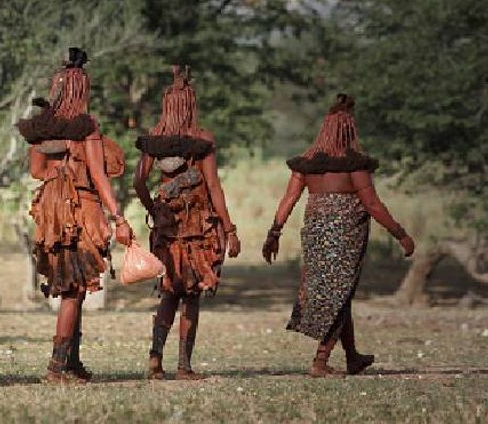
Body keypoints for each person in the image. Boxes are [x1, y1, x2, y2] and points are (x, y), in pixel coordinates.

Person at [262, 93, 415, 377]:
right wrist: (401, 234)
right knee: (340, 295)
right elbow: (372, 204)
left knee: (338, 293)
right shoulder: (353, 164)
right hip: (345, 237)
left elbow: (288, 199)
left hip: (315, 235)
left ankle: (353, 356)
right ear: (349, 131)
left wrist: (274, 233)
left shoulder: (307, 165)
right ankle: (320, 361)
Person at [17, 47, 133, 383]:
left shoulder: (41, 130)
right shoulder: (86, 127)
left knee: (74, 286)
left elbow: (37, 172)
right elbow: (98, 175)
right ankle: (56, 368)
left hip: (51, 210)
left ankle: (72, 362)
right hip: (80, 208)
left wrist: (59, 175)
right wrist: (118, 217)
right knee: (73, 288)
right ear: (82, 91)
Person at [133, 65, 241, 380]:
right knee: (190, 294)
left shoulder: (155, 139)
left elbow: (139, 182)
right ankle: (184, 366)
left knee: (169, 291)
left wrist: (154, 210)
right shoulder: (202, 139)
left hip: (168, 225)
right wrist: (230, 229)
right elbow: (214, 187)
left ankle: (155, 360)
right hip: (198, 226)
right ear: (191, 105)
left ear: (167, 105)